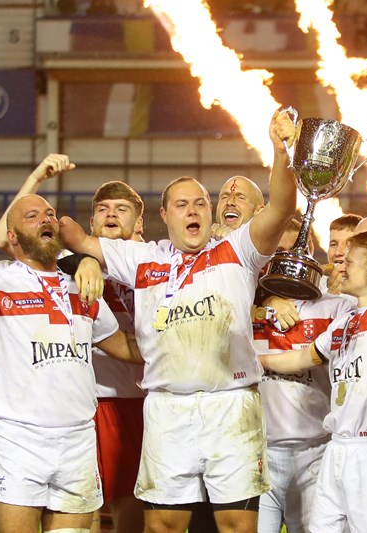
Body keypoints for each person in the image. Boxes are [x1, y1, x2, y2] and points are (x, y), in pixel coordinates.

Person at [58, 109, 298, 533]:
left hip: (231, 403)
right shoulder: (143, 257)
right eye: (182, 204)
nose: (194, 210)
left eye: (201, 203)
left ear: (209, 213)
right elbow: (72, 235)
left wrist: (280, 150)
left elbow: (281, 206)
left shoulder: (238, 250)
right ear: (165, 216)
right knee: (164, 526)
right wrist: (85, 263)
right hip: (167, 407)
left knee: (237, 526)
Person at [0, 190, 142, 533]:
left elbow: (120, 344)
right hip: (17, 440)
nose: (45, 218)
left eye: (49, 213)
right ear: (14, 237)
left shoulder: (81, 285)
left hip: (77, 439)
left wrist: (176, 351)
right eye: (32, 216)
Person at [259, 132, 367, 532]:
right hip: (338, 451)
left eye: (350, 260)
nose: (339, 265)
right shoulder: (344, 321)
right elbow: (301, 359)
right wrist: (250, 361)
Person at [254, 219, 354, 532]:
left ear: (309, 254)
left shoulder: (337, 304)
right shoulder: (249, 302)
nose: (284, 260)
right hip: (260, 450)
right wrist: (267, 296)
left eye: (292, 251)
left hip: (315, 451)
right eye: (276, 252)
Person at [87, 182, 147, 533]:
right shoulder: (68, 264)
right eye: (103, 208)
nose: (111, 214)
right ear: (92, 222)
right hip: (86, 400)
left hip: (139, 399)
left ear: (139, 223)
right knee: (85, 500)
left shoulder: (157, 262)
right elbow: (7, 239)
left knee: (131, 501)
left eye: (121, 209)